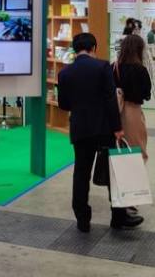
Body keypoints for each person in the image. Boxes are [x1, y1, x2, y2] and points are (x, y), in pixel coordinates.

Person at [57, 33, 140, 232]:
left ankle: (82, 219)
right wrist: (117, 128)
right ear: (94, 47)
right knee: (113, 172)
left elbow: (64, 104)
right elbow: (110, 99)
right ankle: (118, 217)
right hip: (103, 128)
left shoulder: (65, 72)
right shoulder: (103, 67)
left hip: (80, 128)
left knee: (81, 173)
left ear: (75, 49)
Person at [114, 35, 152, 160]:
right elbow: (146, 94)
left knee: (118, 147)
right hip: (133, 112)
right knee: (136, 147)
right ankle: (134, 171)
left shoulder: (114, 67)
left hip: (115, 112)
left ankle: (119, 171)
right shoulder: (141, 70)